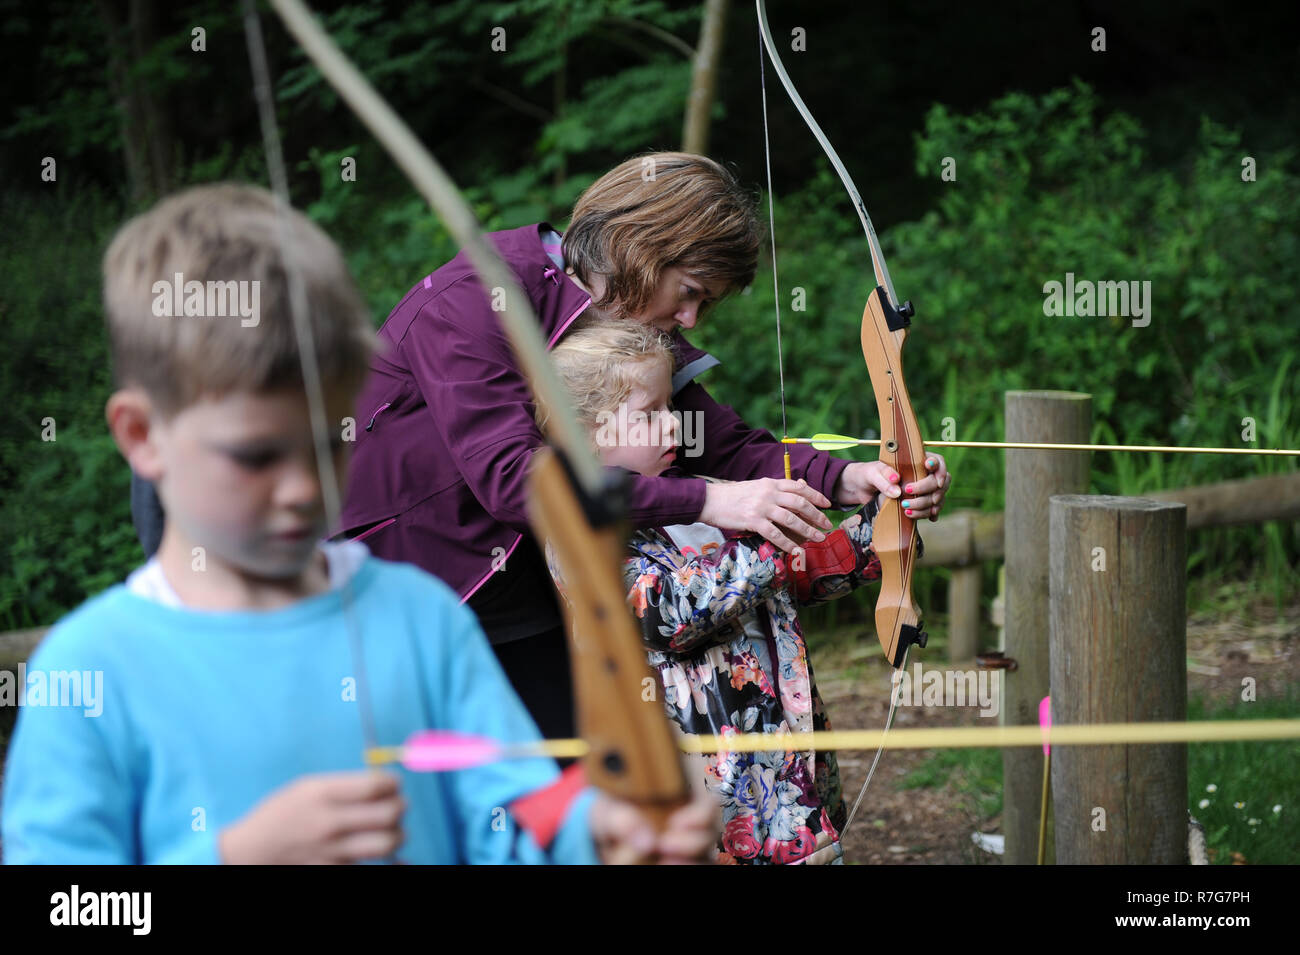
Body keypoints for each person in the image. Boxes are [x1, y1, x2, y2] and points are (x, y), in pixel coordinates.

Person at [1, 183, 717, 865]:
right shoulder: (91, 667)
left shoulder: (422, 619)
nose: (302, 489)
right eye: (255, 455)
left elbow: (509, 812)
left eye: (329, 445)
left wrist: (602, 825)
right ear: (141, 435)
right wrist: (234, 854)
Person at [336, 152, 951, 742]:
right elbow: (513, 478)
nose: (690, 319)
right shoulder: (473, 298)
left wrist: (849, 481)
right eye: (690, 291)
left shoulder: (628, 328)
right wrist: (707, 501)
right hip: (405, 597)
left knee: (557, 797)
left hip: (528, 599)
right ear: (642, 247)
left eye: (703, 304)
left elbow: (722, 444)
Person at [541, 320, 894, 864]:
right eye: (649, 413)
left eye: (670, 407)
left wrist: (888, 519)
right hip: (697, 804)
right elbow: (670, 615)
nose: (673, 427)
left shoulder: (706, 496)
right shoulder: (580, 532)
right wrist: (770, 537)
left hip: (790, 774)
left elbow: (799, 573)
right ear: (585, 430)